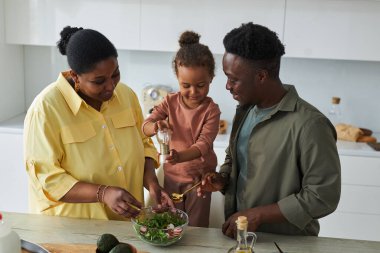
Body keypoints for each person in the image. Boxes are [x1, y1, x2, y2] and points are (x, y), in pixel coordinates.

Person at [198, 22, 341, 236]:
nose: (227, 86)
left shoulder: (310, 125)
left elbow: (323, 196)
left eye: (233, 79)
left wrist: (258, 215)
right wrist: (223, 180)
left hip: (287, 244)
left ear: (261, 76)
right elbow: (235, 160)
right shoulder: (245, 110)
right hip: (242, 239)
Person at [24, 26, 172, 220]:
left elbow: (144, 144)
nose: (111, 86)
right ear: (75, 76)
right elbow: (48, 179)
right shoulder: (45, 110)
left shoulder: (126, 96)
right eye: (99, 81)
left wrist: (152, 184)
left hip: (126, 224)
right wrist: (103, 193)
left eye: (115, 74)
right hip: (71, 231)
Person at [142, 31, 221, 227]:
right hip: (171, 178)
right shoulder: (170, 101)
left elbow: (203, 145)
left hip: (199, 181)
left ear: (211, 77)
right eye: (186, 85)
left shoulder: (211, 111)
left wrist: (179, 157)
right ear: (177, 78)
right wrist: (156, 126)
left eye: (200, 85)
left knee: (196, 229)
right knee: (172, 225)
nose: (193, 92)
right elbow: (145, 126)